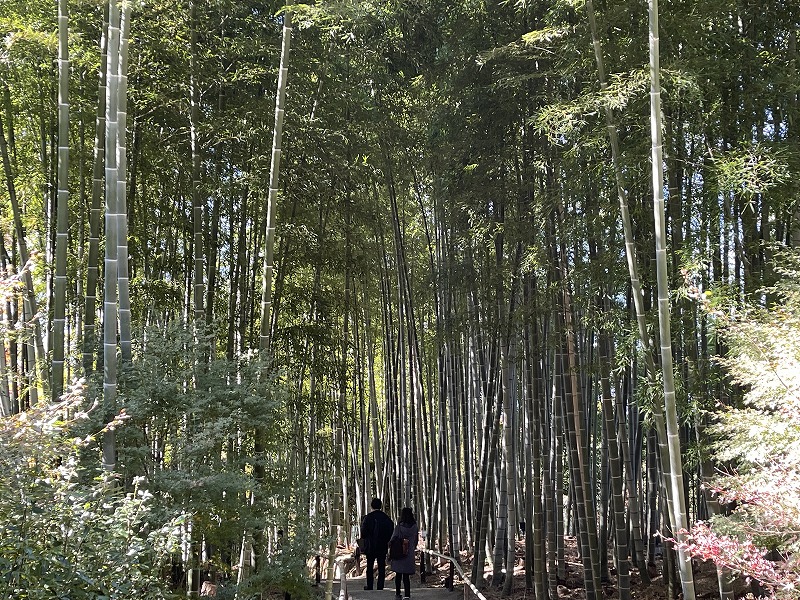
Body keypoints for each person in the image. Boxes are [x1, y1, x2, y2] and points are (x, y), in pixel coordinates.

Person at [360, 497, 394, 590]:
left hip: (370, 546)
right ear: (381, 506)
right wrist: (386, 540)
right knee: (381, 566)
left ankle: (370, 585)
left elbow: (363, 532)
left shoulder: (368, 518)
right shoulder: (386, 518)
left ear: (371, 506)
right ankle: (380, 586)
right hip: (382, 545)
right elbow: (391, 530)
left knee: (370, 566)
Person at [389, 507, 419, 600]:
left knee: (398, 575)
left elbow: (393, 539)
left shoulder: (399, 527)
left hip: (399, 553)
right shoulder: (414, 527)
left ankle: (398, 594)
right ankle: (407, 595)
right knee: (406, 576)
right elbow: (415, 541)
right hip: (409, 553)